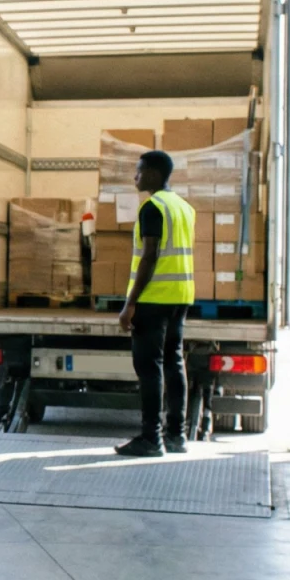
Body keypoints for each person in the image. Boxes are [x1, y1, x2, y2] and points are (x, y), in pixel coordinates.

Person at [116, 150, 196, 457]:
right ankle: (177, 435)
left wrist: (130, 303)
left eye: (139, 171)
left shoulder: (153, 207)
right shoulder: (184, 207)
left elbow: (149, 256)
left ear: (153, 173)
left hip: (154, 297)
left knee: (149, 367)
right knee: (174, 363)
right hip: (181, 296)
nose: (135, 177)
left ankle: (151, 438)